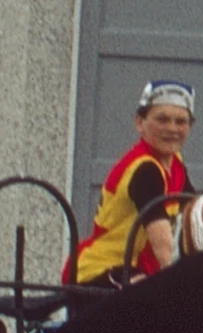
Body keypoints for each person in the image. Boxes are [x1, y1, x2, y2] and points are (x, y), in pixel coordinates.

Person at [68, 80, 195, 286]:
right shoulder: (144, 169)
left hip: (134, 268)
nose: (172, 128)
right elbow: (163, 244)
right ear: (139, 122)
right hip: (100, 270)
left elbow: (192, 216)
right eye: (161, 119)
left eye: (181, 121)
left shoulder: (175, 164)